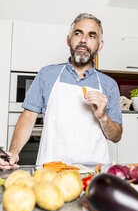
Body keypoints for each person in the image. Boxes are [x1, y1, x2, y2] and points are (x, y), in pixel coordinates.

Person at [0, 13, 122, 171]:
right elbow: (28, 117)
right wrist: (13, 152)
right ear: (68, 40)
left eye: (92, 36)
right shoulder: (47, 75)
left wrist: (103, 117)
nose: (83, 40)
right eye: (78, 33)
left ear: (100, 45)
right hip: (51, 170)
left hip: (94, 173)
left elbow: (116, 136)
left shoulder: (109, 84)